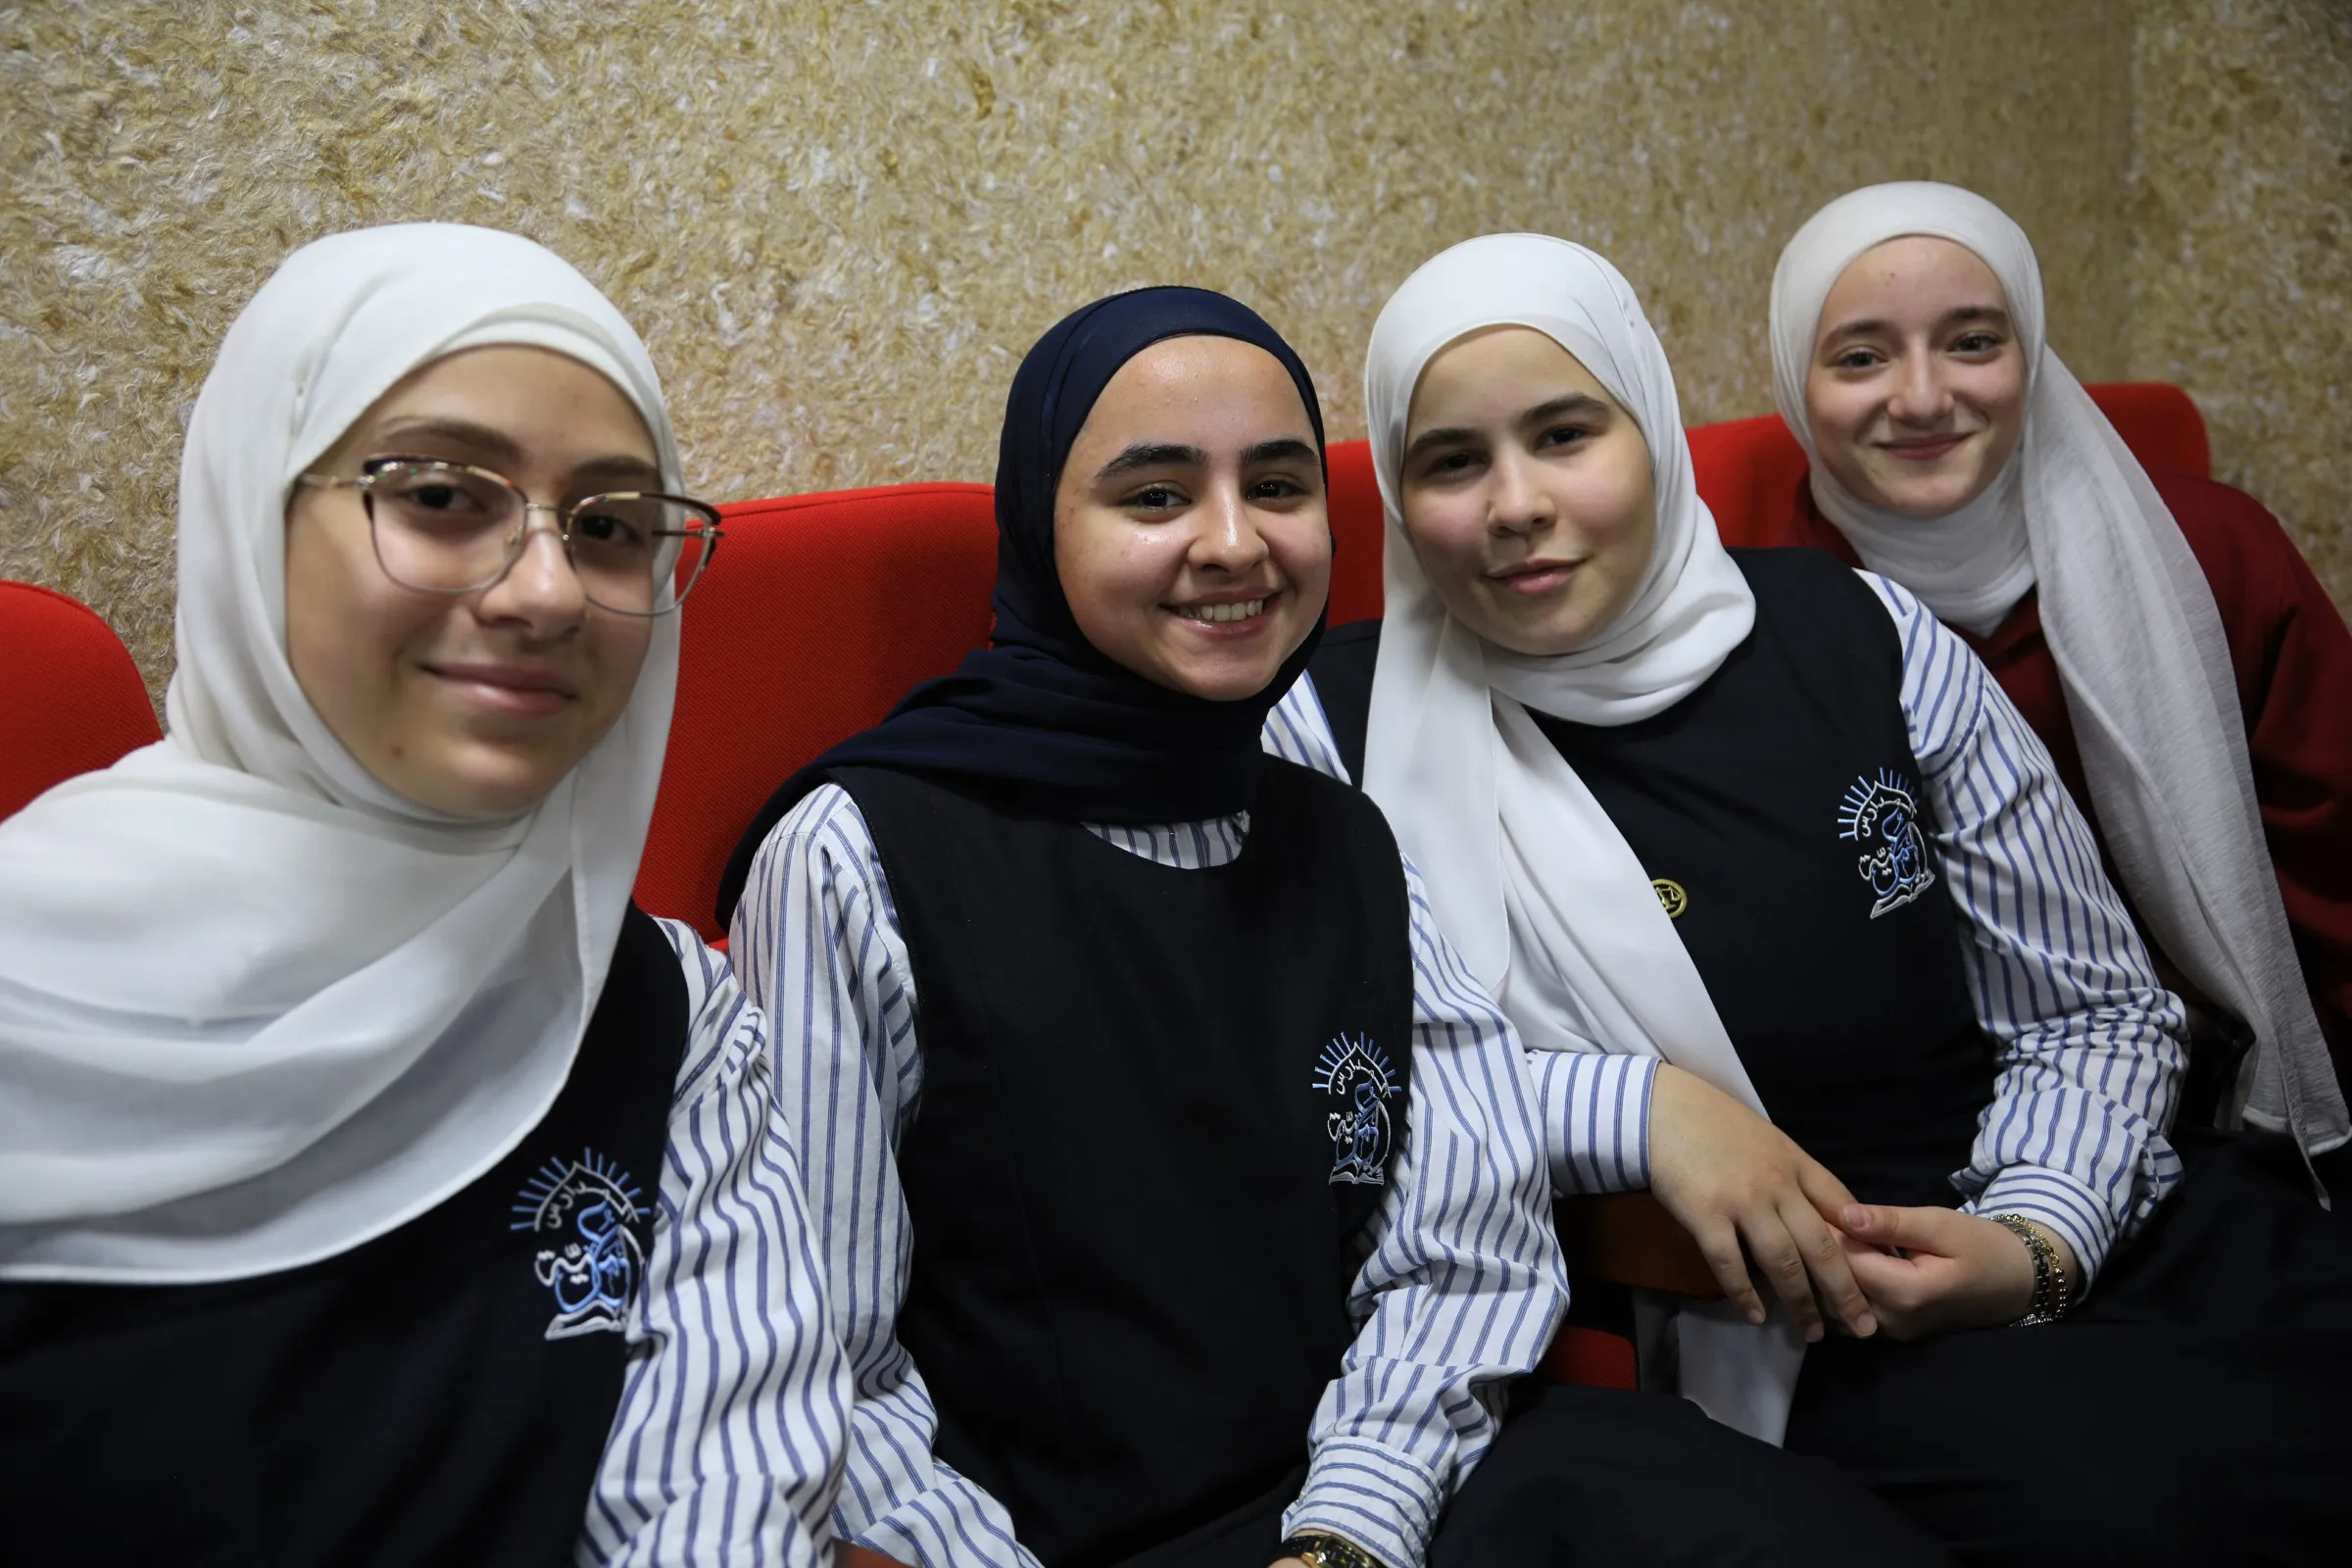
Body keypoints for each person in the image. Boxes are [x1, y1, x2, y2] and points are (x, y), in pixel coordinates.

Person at [721, 286, 1946, 1568]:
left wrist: (1349, 1530)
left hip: (1395, 1488)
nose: (1232, 543)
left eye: (1277, 486)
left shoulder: (1344, 837)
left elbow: (1462, 1252)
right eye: (1155, 496)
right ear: (1040, 526)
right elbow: (822, 1364)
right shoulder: (858, 859)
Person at [1267, 231, 2348, 1561]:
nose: (1515, 505)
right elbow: (1348, 1079)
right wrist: (1642, 1109)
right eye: (1451, 462)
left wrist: (2033, 1238)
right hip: (1806, 1333)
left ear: (1651, 431)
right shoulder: (1334, 733)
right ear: (1396, 493)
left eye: (1564, 435)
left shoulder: (1870, 635)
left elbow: (2094, 1006)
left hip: (2085, 1211)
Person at [0, 223, 850, 1565]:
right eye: (443, 496)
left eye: (611, 527)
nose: (548, 592)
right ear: (253, 517)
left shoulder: (665, 1016)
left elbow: (724, 1495)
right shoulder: (25, 995)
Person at [1756, 181, 2352, 1180]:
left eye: (1972, 342)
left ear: (2031, 352)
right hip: (1935, 1148)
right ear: (1793, 378)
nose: (1922, 397)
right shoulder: (1765, 624)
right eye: (1861, 357)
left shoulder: (2210, 558)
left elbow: (2333, 868)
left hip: (2244, 1111)